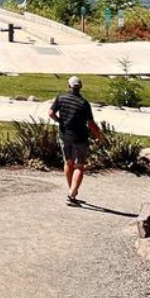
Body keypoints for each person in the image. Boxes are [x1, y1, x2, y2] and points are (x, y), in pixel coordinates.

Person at [49, 75, 104, 206]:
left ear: (68, 86)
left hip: (64, 135)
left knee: (68, 163)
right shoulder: (84, 103)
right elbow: (91, 124)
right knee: (79, 166)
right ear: (80, 88)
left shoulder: (61, 98)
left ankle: (71, 191)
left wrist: (60, 121)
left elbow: (51, 113)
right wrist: (99, 136)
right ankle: (72, 193)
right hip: (80, 138)